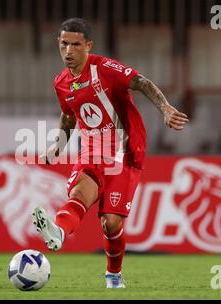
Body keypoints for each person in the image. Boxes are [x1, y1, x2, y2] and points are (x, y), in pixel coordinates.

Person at [31, 18, 188, 288]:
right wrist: (58, 147)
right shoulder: (61, 83)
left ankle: (114, 275)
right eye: (64, 44)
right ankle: (57, 231)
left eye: (76, 45)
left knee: (110, 223)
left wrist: (164, 108)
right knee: (80, 192)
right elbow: (69, 117)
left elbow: (140, 82)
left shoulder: (105, 69)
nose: (69, 51)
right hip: (92, 149)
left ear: (88, 46)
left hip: (125, 151)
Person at [161, 89, 211, 154]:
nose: (189, 106)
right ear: (183, 104)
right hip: (177, 159)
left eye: (191, 103)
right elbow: (167, 146)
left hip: (196, 160)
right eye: (187, 103)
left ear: (195, 105)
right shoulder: (174, 122)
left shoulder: (201, 124)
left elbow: (207, 144)